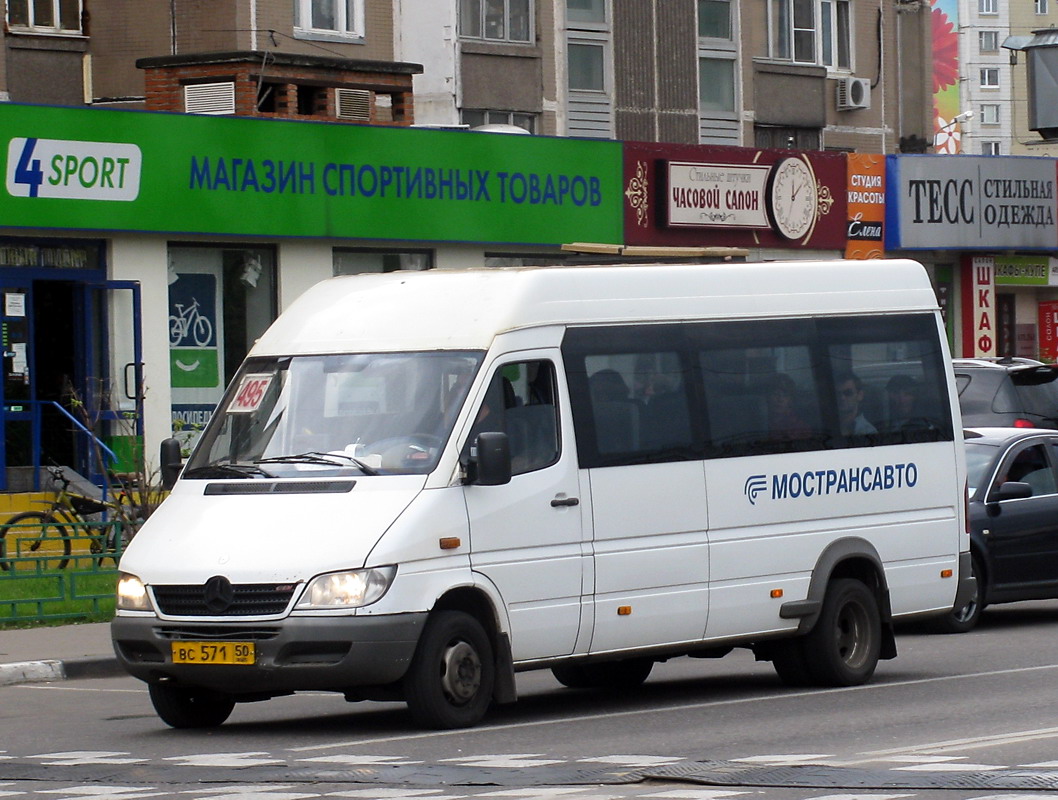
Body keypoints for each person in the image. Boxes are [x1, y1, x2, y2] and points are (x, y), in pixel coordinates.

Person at [766, 373, 811, 440]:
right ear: (768, 397)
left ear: (791, 400)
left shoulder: (800, 428)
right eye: (776, 394)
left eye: (785, 395)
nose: (780, 399)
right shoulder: (759, 421)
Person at [836, 371, 877, 436]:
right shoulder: (826, 426)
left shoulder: (868, 431)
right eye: (838, 394)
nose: (842, 398)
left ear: (860, 395)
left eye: (848, 393)